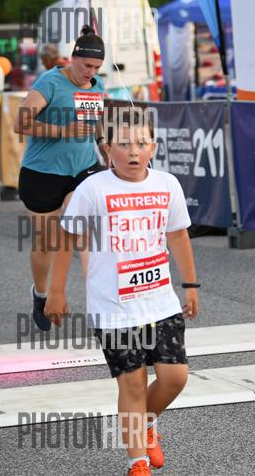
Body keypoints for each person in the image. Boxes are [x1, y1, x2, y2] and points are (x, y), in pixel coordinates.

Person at [45, 108, 200, 476]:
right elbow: (66, 238)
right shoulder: (93, 189)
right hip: (113, 307)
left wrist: (191, 284)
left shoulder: (167, 184)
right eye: (124, 144)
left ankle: (146, 423)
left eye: (142, 143)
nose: (133, 151)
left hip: (160, 301)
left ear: (154, 148)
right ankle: (137, 461)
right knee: (131, 383)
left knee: (175, 377)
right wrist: (56, 291)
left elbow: (178, 234)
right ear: (107, 149)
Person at [13, 25, 107, 331]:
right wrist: (61, 131)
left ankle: (101, 301)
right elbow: (20, 123)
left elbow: (94, 120)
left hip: (83, 169)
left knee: (84, 231)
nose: (90, 73)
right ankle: (41, 294)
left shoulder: (96, 85)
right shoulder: (50, 82)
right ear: (73, 58)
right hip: (43, 173)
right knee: (46, 242)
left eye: (97, 67)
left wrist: (103, 142)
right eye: (86, 65)